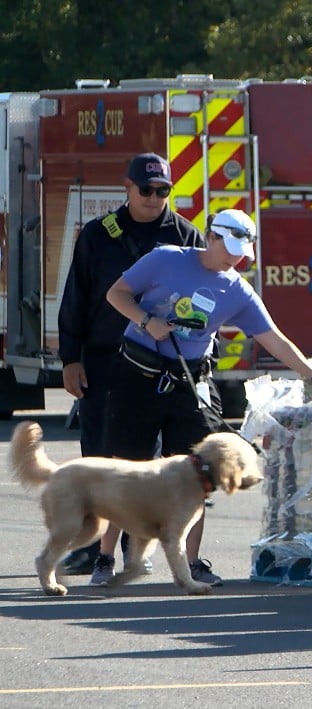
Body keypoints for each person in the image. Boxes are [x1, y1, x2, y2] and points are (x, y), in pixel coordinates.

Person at [90, 208, 312, 587]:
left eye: (242, 251)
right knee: (126, 467)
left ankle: (193, 563)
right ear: (211, 237)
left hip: (189, 384)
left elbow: (274, 338)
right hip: (137, 377)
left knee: (198, 474)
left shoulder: (237, 290)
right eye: (229, 247)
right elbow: (117, 293)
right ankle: (105, 557)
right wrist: (148, 321)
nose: (235, 257)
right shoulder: (165, 260)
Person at [58, 153, 206, 575]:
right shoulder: (99, 235)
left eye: (163, 191)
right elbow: (76, 299)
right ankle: (89, 547)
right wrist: (71, 359)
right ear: (127, 187)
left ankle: (131, 550)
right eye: (146, 189)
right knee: (100, 455)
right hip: (104, 359)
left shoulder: (184, 236)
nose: (154, 198)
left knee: (143, 462)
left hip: (158, 365)